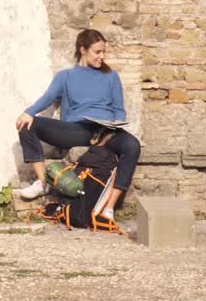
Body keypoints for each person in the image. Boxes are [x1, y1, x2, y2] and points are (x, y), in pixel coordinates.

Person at [14, 29, 141, 223]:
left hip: (106, 131)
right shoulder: (66, 76)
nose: (102, 56)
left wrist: (114, 128)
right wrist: (29, 112)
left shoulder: (111, 76)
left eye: (104, 52)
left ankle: (109, 208)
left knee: (132, 145)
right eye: (97, 52)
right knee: (27, 126)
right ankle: (42, 183)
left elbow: (119, 110)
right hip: (76, 130)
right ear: (83, 50)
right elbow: (49, 97)